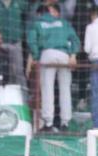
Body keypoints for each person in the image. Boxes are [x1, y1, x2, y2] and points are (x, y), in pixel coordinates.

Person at [27, 2, 80, 132]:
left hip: (47, 54)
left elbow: (32, 41)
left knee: (47, 89)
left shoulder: (37, 23)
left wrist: (36, 56)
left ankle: (48, 123)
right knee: (65, 89)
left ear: (40, 13)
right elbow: (75, 39)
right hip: (64, 55)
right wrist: (73, 55)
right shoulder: (63, 23)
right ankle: (65, 123)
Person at [0, 0, 28, 91]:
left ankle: (23, 94)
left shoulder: (20, 3)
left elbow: (26, 19)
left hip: (15, 42)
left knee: (18, 71)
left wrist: (20, 33)